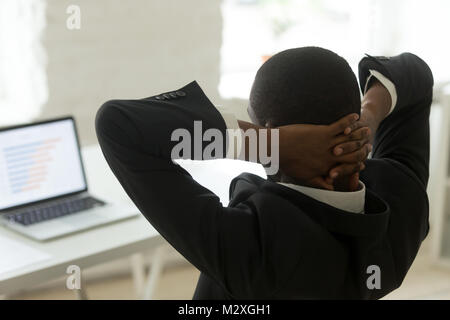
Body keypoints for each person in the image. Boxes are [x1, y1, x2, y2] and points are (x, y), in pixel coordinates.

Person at [95, 47, 433, 299]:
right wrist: (370, 114)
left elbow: (118, 125)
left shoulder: (252, 247)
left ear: (271, 131)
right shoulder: (403, 201)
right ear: (352, 120)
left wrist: (267, 146)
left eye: (255, 125)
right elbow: (416, 73)